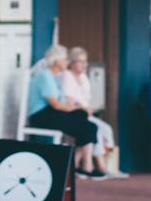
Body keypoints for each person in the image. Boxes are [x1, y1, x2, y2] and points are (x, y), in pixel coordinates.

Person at [27, 44, 99, 170]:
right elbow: (56, 104)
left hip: (51, 113)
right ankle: (84, 166)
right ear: (56, 61)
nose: (68, 61)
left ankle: (76, 164)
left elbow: (63, 103)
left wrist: (78, 108)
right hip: (41, 115)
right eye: (65, 59)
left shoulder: (55, 77)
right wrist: (77, 108)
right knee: (88, 125)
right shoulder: (45, 76)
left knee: (84, 119)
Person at [62, 46, 120, 177]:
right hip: (73, 115)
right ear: (72, 62)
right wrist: (83, 108)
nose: (84, 64)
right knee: (95, 129)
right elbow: (68, 100)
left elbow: (86, 100)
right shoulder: (66, 76)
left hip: (85, 114)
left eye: (85, 61)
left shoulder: (83, 77)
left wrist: (87, 108)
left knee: (107, 129)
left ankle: (109, 164)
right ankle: (101, 167)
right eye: (80, 61)